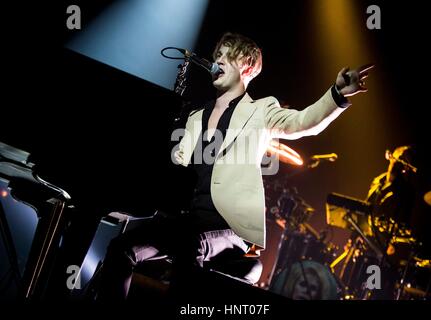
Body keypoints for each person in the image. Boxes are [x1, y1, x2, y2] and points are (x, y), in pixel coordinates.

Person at [96, 32, 373, 301]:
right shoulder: (194, 116)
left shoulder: (262, 110)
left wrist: (337, 94)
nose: (219, 60)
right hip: (189, 220)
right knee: (122, 248)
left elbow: (303, 122)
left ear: (248, 68)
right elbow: (175, 165)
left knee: (189, 244)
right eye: (218, 55)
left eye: (228, 56)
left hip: (230, 226)